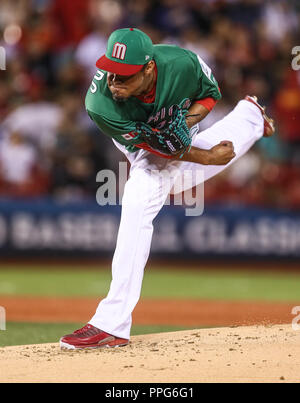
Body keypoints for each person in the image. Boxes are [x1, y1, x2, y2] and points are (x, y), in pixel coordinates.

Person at [60, 28, 274, 349]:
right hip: (138, 138)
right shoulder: (100, 103)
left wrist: (187, 122)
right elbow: (159, 147)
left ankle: (111, 323)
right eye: (111, 71)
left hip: (175, 118)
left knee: (139, 197)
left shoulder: (182, 62)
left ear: (148, 69)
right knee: (171, 177)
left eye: (124, 76)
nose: (113, 82)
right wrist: (208, 157)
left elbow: (209, 93)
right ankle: (250, 118)